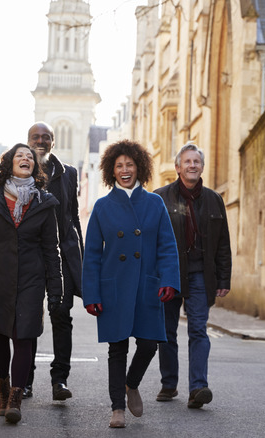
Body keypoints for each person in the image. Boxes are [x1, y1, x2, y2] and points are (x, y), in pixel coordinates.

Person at [82, 140, 180, 428]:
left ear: (139, 167)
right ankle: (117, 409)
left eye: (130, 164)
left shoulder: (154, 203)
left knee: (150, 344)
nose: (125, 170)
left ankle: (131, 383)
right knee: (117, 348)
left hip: (147, 284)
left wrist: (169, 280)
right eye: (119, 165)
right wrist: (91, 293)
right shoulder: (102, 206)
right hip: (114, 286)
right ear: (111, 171)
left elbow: (167, 246)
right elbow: (92, 255)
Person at [0, 143, 63, 424]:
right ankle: (4, 389)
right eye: (19, 155)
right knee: (0, 336)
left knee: (25, 336)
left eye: (30, 157)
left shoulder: (45, 203)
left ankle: (15, 399)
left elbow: (51, 250)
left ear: (35, 166)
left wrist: (55, 289)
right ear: (8, 163)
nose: (25, 158)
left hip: (31, 280)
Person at [154, 141, 232, 409]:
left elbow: (223, 243)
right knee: (166, 331)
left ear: (202, 167)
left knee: (199, 329)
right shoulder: (160, 198)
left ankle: (198, 387)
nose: (192, 165)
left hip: (201, 273)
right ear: (177, 167)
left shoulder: (214, 199)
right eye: (187, 162)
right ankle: (169, 383)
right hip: (169, 274)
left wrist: (223, 279)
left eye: (196, 162)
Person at [24, 121, 84, 401]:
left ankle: (59, 380)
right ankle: (25, 381)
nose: (41, 141)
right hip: (31, 258)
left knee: (61, 318)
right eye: (36, 136)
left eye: (46, 137)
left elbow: (73, 217)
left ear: (53, 142)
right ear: (27, 140)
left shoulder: (68, 173)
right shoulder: (21, 168)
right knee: (29, 320)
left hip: (61, 258)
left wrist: (79, 257)